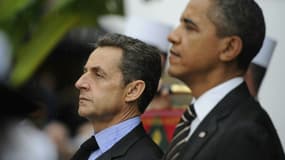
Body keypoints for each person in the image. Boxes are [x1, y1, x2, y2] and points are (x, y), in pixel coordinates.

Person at [162, 0, 285, 160]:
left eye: (190, 27)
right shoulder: (202, 118)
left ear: (229, 48)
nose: (172, 36)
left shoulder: (245, 134)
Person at [71, 33, 163, 160]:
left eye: (98, 75)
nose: (80, 83)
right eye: (85, 72)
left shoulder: (145, 157)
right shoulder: (88, 150)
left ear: (133, 91)